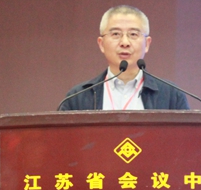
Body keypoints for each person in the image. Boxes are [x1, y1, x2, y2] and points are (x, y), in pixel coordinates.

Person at [59, 6, 190, 111]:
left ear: (147, 44)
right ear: (101, 44)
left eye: (133, 34)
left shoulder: (172, 96)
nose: (125, 42)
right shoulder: (77, 98)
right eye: (116, 34)